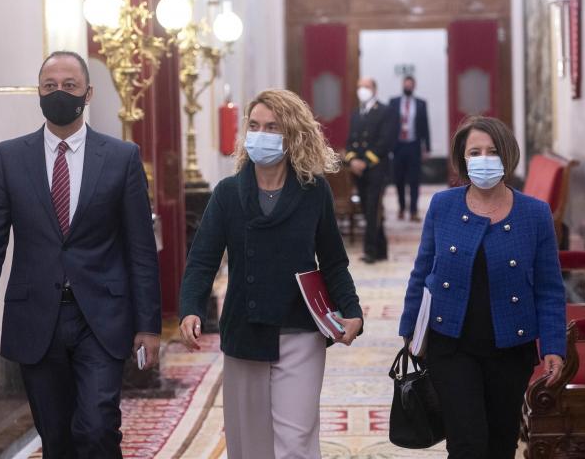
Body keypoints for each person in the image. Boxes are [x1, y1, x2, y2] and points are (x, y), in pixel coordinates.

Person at [0, 51, 162, 458]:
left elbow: (141, 249)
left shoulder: (121, 158)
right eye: (50, 86)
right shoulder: (9, 158)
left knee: (97, 426)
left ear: (88, 94)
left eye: (69, 86)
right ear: (38, 93)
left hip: (101, 317)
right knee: (56, 438)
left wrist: (148, 325)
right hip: (37, 316)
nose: (59, 93)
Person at [178, 89, 364, 459]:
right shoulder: (228, 193)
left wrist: (352, 310)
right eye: (255, 126)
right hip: (245, 331)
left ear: (292, 134)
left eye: (272, 127)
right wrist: (191, 308)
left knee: (295, 443)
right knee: (251, 445)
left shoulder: (314, 192)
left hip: (301, 330)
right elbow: (202, 259)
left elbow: (333, 261)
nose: (261, 134)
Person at [398, 116, 566, 459]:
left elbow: (549, 287)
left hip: (511, 347)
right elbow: (422, 271)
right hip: (450, 345)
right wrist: (409, 328)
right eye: (475, 152)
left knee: (501, 445)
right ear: (463, 158)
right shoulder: (443, 206)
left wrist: (554, 345)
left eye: (492, 151)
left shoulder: (535, 214)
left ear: (507, 155)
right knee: (467, 445)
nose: (484, 159)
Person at [345, 77, 390, 264]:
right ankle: (381, 249)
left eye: (366, 86)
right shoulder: (356, 113)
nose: (362, 90)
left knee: (373, 208)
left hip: (376, 170)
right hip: (359, 171)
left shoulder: (385, 111)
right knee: (367, 209)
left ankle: (370, 251)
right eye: (359, 86)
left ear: (374, 89)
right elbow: (350, 142)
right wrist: (352, 160)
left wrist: (364, 161)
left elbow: (385, 142)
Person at [389, 75, 430, 221]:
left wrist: (427, 148)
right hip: (398, 146)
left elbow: (425, 126)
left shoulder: (421, 103)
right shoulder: (393, 102)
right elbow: (389, 125)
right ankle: (401, 207)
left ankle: (413, 210)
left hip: (414, 146)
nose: (407, 87)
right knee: (399, 179)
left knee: (414, 180)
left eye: (410, 84)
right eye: (405, 84)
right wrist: (388, 146)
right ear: (402, 85)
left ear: (414, 86)